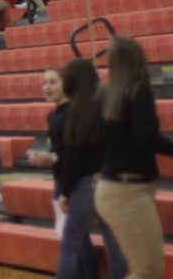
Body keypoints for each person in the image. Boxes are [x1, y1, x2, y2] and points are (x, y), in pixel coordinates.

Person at [95, 37, 173, 279]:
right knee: (147, 271)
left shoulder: (103, 97)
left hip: (111, 188)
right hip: (128, 189)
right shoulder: (137, 91)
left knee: (144, 268)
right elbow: (146, 138)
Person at [55, 59, 126, 279]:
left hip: (85, 185)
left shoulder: (76, 110)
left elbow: (73, 158)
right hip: (110, 179)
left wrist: (65, 192)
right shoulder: (109, 103)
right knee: (114, 242)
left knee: (70, 246)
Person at [27, 68, 67, 234]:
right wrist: (46, 156)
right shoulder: (52, 115)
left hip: (72, 180)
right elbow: (57, 151)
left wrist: (49, 157)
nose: (47, 87)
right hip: (60, 177)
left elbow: (67, 153)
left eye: (53, 82)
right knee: (68, 236)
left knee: (69, 237)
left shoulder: (70, 113)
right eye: (44, 83)